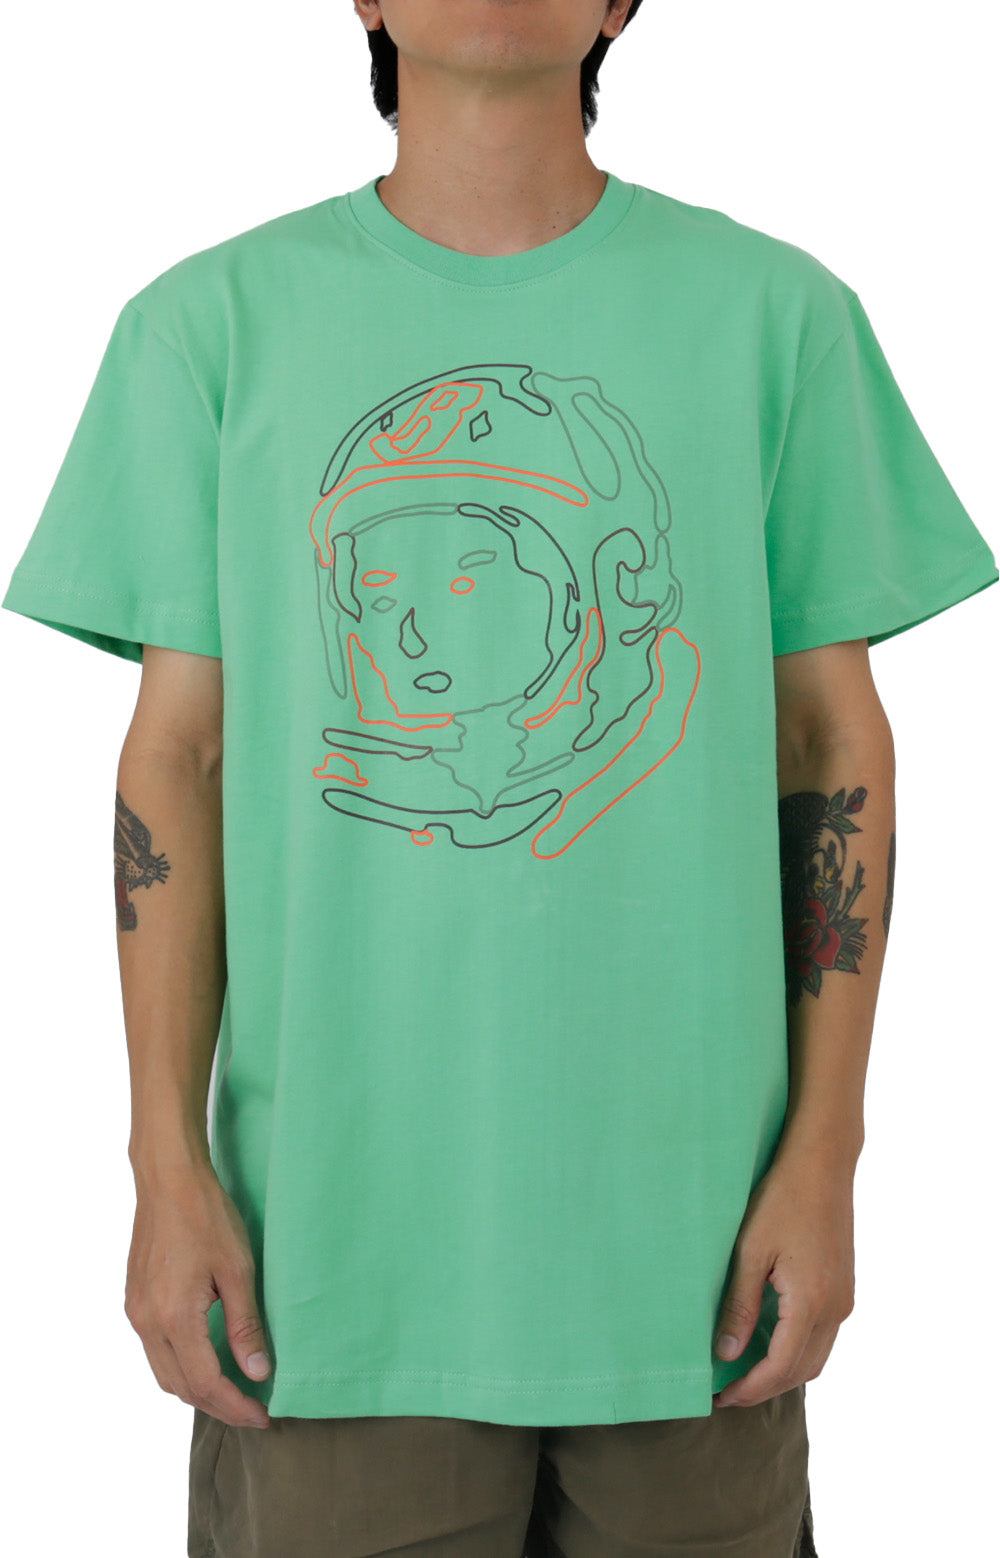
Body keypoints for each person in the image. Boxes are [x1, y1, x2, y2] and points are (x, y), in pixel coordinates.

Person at [3, 1, 997, 1554]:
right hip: (327, 1281)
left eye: (475, 570)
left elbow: (831, 744)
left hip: (689, 1274)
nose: (418, 629)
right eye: (388, 585)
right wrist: (163, 1167)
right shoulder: (205, 329)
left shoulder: (776, 318)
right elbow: (175, 763)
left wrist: (827, 1154)